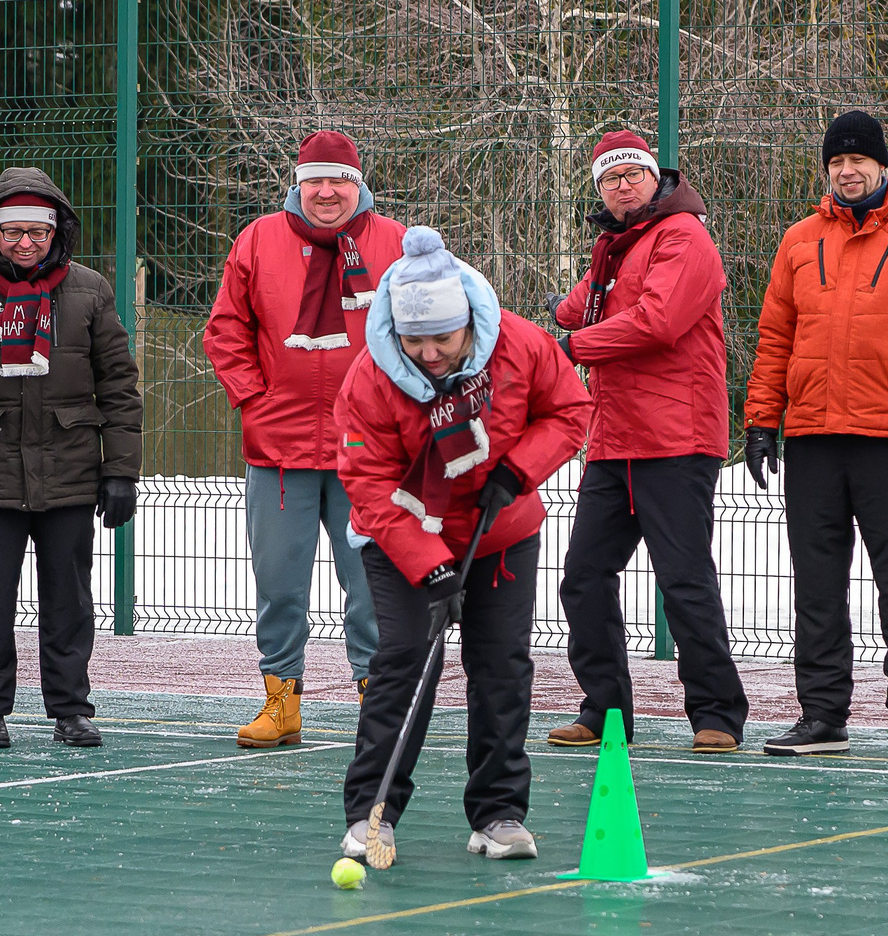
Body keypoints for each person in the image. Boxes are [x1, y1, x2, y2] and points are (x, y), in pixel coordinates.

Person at [335, 225, 589, 862]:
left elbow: (570, 410)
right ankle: (376, 812)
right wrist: (431, 571)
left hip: (500, 532)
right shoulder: (371, 376)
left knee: (501, 665)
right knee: (403, 662)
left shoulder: (520, 344)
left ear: (468, 324)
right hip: (402, 539)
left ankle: (499, 813)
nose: (427, 353)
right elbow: (367, 481)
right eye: (413, 340)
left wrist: (517, 470)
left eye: (441, 339)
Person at [743, 110, 888, 763]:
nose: (847, 171)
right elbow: (774, 337)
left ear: (881, 166)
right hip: (813, 436)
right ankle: (822, 717)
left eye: (858, 161)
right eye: (836, 163)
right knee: (816, 586)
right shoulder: (798, 240)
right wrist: (762, 421)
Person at [0, 167, 143, 750]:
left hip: (70, 471)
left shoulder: (90, 292)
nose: (24, 243)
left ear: (57, 231)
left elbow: (119, 387)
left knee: (69, 599)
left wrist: (120, 472)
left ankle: (70, 707)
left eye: (36, 232)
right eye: (11, 231)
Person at [203, 131, 407, 747]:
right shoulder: (258, 239)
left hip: (369, 450)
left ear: (359, 181)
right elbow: (225, 331)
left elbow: (430, 330)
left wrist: (399, 409)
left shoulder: (397, 243)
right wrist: (255, 400)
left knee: (372, 584)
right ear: (296, 182)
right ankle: (281, 704)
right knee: (279, 583)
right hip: (279, 450)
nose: (325, 191)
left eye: (338, 179)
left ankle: (380, 702)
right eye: (313, 179)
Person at [547, 128, 748, 754]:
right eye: (610, 179)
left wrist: (573, 345)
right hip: (614, 438)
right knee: (582, 576)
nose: (622, 185)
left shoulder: (685, 237)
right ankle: (605, 710)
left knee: (683, 577)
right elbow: (579, 306)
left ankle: (717, 713)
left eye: (632, 173)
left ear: (657, 179)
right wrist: (565, 311)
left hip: (677, 437)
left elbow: (657, 323)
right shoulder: (616, 245)